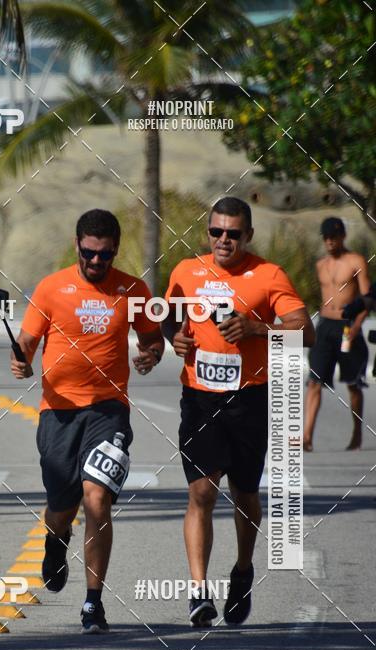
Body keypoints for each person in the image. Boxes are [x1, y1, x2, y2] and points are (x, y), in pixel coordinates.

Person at [162, 196, 314, 628]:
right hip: (199, 398)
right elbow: (169, 318)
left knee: (245, 495)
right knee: (202, 493)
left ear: (248, 235)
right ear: (207, 233)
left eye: (233, 233)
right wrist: (177, 339)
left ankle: (243, 569)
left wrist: (257, 329)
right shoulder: (186, 271)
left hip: (249, 400)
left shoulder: (268, 276)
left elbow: (307, 333)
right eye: (216, 232)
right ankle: (198, 591)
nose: (224, 240)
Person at [10, 209, 164, 634]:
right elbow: (26, 342)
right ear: (77, 245)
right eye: (89, 254)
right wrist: (20, 361)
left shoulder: (134, 289)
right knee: (61, 509)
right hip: (58, 412)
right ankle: (55, 542)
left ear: (115, 250)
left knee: (97, 499)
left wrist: (150, 355)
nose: (97, 262)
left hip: (108, 409)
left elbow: (154, 337)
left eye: (106, 255)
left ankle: (93, 602)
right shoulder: (51, 287)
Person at [303, 217, 371, 451]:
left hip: (347, 325)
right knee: (314, 381)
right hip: (325, 327)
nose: (329, 242)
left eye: (333, 237)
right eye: (326, 238)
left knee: (353, 384)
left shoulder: (356, 261)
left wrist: (355, 327)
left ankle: (357, 433)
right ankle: (307, 436)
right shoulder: (321, 264)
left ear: (342, 236)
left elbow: (366, 299)